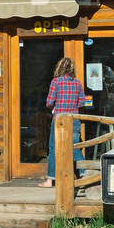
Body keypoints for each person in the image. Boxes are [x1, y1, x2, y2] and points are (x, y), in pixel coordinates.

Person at [42, 57, 85, 188]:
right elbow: (82, 103)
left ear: (59, 67)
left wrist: (54, 105)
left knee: (53, 149)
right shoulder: (78, 83)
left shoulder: (55, 82)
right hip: (73, 119)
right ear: (72, 68)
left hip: (59, 120)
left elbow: (49, 102)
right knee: (75, 148)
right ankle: (83, 176)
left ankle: (50, 181)